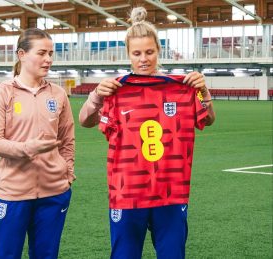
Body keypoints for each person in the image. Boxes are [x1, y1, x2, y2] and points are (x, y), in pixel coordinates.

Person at [79, 6, 215, 259]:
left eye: (149, 52)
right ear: (129, 55)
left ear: (158, 52)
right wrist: (97, 96)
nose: (144, 58)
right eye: (137, 53)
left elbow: (208, 119)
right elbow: (85, 121)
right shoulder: (115, 90)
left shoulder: (181, 88)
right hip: (127, 192)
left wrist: (204, 93)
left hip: (171, 189)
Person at [0, 28, 75, 259]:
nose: (49, 59)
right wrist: (28, 149)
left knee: (46, 255)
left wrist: (67, 171)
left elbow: (67, 138)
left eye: (51, 53)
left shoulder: (58, 94)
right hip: (12, 192)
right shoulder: (2, 93)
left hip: (54, 192)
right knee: (5, 255)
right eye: (42, 53)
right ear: (22, 54)